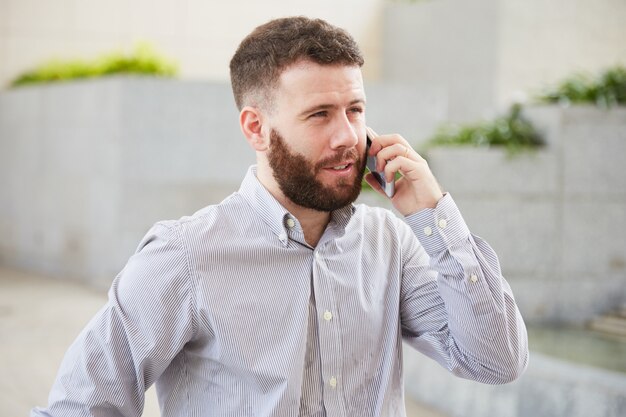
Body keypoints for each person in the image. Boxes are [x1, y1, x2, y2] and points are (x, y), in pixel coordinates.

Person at [32, 16, 528, 417]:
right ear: (256, 128)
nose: (348, 137)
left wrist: (435, 216)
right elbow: (81, 406)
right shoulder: (185, 257)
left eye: (355, 110)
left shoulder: (391, 245)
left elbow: (496, 360)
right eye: (320, 114)